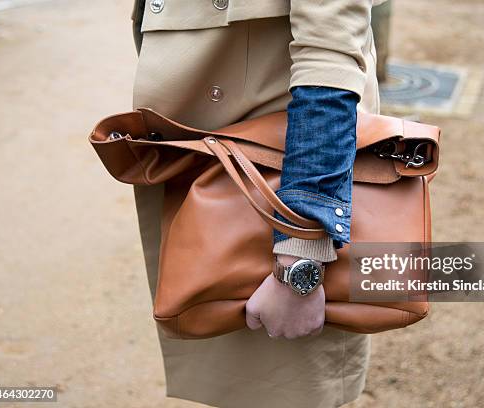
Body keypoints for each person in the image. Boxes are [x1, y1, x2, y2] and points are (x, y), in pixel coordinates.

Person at [131, 0, 384, 406]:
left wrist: (301, 259)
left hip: (277, 189)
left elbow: (329, 59)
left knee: (287, 391)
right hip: (218, 165)